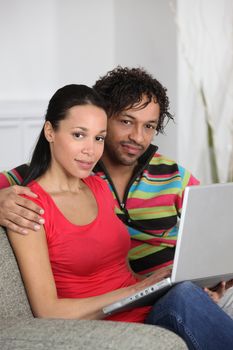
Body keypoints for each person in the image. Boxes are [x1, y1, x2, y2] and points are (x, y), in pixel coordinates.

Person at [4, 83, 233, 350]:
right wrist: (137, 291)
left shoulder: (97, 187)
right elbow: (48, 310)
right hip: (110, 325)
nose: (91, 150)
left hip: (144, 307)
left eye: (98, 138)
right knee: (184, 297)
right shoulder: (25, 206)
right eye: (79, 135)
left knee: (187, 292)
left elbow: (122, 273)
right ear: (50, 131)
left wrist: (158, 282)